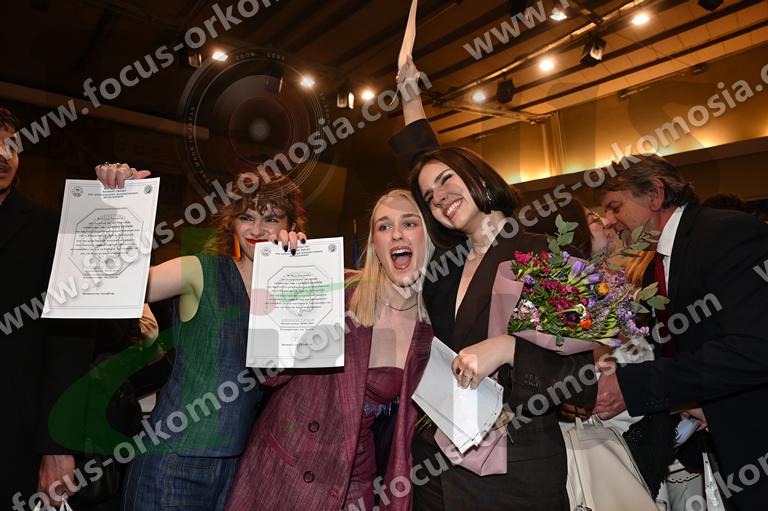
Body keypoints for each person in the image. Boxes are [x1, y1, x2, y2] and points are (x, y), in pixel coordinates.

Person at [389, 58, 596, 511]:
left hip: (514, 471)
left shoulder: (545, 252)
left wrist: (507, 349)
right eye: (429, 197)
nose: (440, 197)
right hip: (437, 463)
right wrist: (409, 97)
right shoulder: (446, 266)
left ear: (479, 176)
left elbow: (581, 382)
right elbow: (422, 159)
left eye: (447, 180)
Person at [95, 164, 307, 511]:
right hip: (172, 462)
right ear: (232, 222)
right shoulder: (199, 271)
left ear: (291, 226)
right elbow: (120, 284)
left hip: (240, 466)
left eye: (271, 219)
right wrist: (122, 203)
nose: (256, 229)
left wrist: (304, 265)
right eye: (247, 217)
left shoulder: (294, 290)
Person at [225, 189, 435, 511]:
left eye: (409, 223)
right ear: (375, 245)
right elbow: (269, 375)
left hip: (353, 480)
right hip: (285, 466)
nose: (396, 234)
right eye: (384, 226)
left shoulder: (434, 327)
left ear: (428, 236)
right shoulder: (336, 288)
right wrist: (288, 269)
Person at [592, 154, 768, 510]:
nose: (608, 221)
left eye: (615, 207)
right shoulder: (658, 263)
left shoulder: (726, 233)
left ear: (655, 194)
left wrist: (636, 386)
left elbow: (755, 347)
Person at [1, 107, 96, 510]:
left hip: (14, 443)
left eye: (10, 144)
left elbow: (69, 344)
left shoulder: (48, 230)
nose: (3, 155)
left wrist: (57, 444)